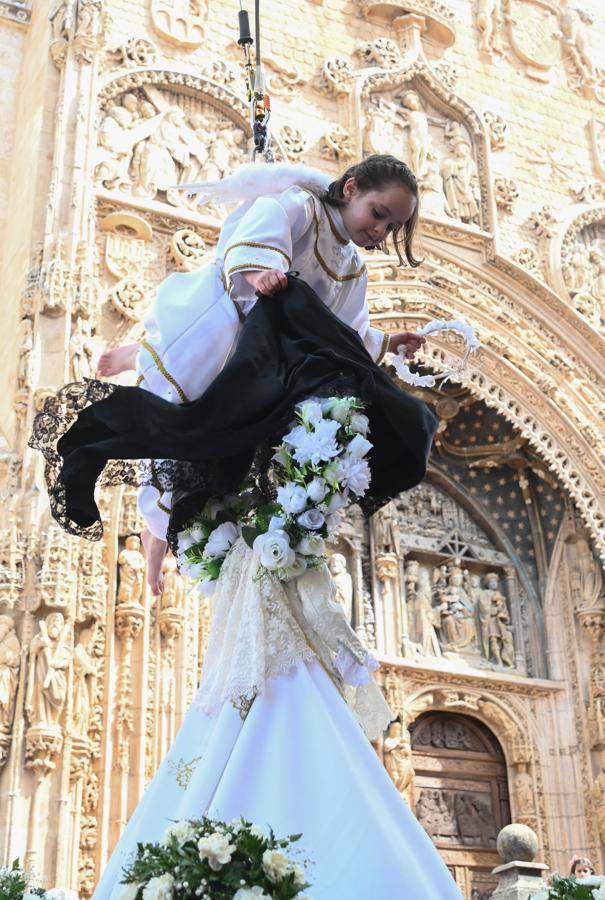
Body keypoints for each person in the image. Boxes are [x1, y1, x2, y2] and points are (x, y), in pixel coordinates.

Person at [96, 155, 428, 594]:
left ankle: (158, 533)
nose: (380, 230)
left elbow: (346, 330)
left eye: (391, 227)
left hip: (271, 353)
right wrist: (260, 271)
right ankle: (141, 354)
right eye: (378, 214)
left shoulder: (352, 267)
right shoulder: (301, 207)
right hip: (231, 318)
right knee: (180, 404)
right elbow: (257, 232)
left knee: (206, 451)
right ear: (350, 190)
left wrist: (387, 342)